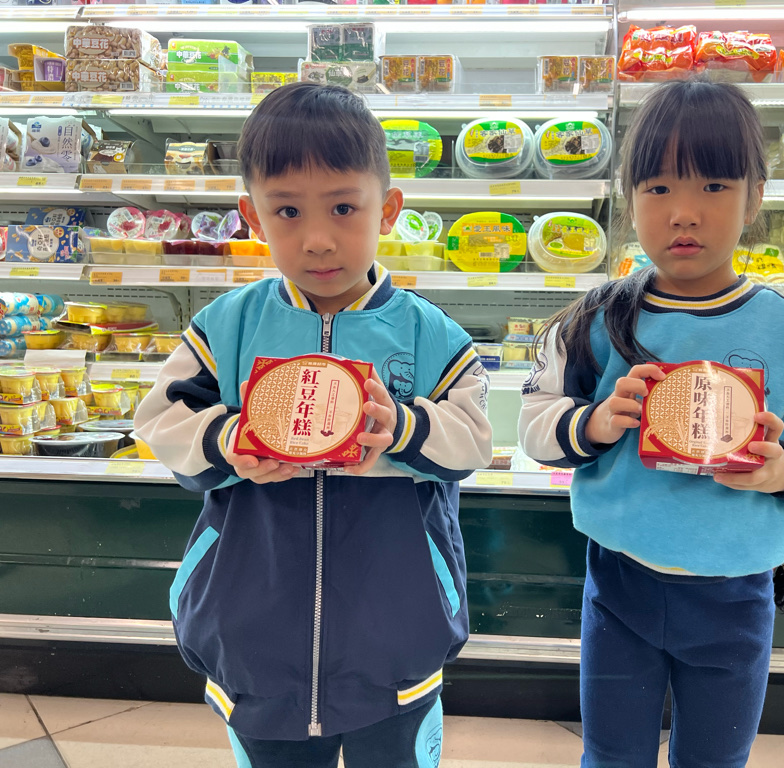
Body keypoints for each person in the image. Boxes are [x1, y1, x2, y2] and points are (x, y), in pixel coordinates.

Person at [518, 79, 784, 768]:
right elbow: (536, 421)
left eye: (714, 186)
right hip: (619, 583)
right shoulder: (596, 318)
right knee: (610, 754)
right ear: (630, 197)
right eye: (658, 187)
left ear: (755, 198)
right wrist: (593, 424)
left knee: (716, 758)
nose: (683, 212)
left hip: (737, 591)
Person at [135, 82, 492, 768]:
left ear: (388, 209)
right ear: (251, 216)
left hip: (395, 636)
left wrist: (404, 429)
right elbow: (161, 419)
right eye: (288, 211)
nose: (318, 239)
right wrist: (228, 440)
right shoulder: (227, 325)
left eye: (344, 208)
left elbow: (474, 438)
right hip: (253, 634)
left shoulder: (429, 334)